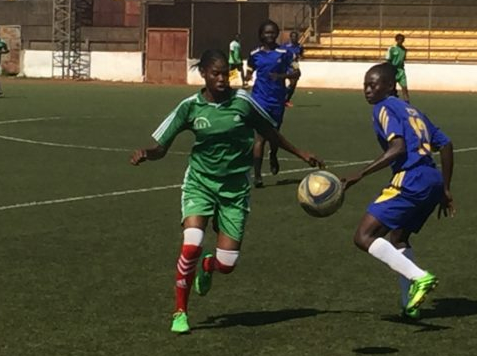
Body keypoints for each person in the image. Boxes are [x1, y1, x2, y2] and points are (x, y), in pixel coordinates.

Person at [130, 49, 323, 334]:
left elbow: (270, 132)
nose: (222, 79)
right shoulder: (190, 107)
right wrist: (147, 152)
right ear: (204, 75)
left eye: (226, 74)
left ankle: (208, 267)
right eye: (216, 74)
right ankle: (180, 312)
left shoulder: (242, 102)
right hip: (200, 184)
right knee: (192, 243)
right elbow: (161, 147)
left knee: (227, 263)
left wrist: (301, 153)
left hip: (235, 190)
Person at [341, 62, 453, 318]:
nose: (368, 90)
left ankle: (419, 277)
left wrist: (361, 174)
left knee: (363, 236)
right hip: (431, 180)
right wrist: (445, 189)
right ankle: (409, 305)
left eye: (373, 84)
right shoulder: (413, 110)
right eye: (365, 85)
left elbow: (398, 148)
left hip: (411, 179)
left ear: (390, 86)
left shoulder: (384, 108)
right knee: (399, 238)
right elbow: (446, 144)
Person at [245, 20, 297, 187]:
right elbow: (250, 71)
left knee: (274, 135)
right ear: (261, 35)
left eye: (273, 32)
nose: (270, 35)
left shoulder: (285, 52)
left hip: (277, 100)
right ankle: (258, 176)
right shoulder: (254, 54)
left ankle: (273, 155)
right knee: (260, 137)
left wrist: (281, 77)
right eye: (266, 32)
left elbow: (297, 72)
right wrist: (245, 77)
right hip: (259, 99)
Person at [282, 30, 303, 107]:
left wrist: (296, 61)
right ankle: (283, 98)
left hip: (294, 65)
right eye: (293, 37)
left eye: (296, 37)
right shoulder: (285, 46)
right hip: (286, 65)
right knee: (287, 82)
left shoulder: (299, 46)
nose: (294, 38)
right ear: (290, 37)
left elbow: (300, 54)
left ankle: (286, 100)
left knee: (294, 84)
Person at [386, 33, 409, 102]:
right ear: (396, 40)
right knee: (392, 88)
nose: (400, 41)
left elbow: (403, 59)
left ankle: (407, 103)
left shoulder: (404, 50)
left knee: (404, 88)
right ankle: (391, 102)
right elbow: (388, 59)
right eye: (399, 39)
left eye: (402, 40)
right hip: (393, 70)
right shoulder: (392, 49)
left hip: (401, 71)